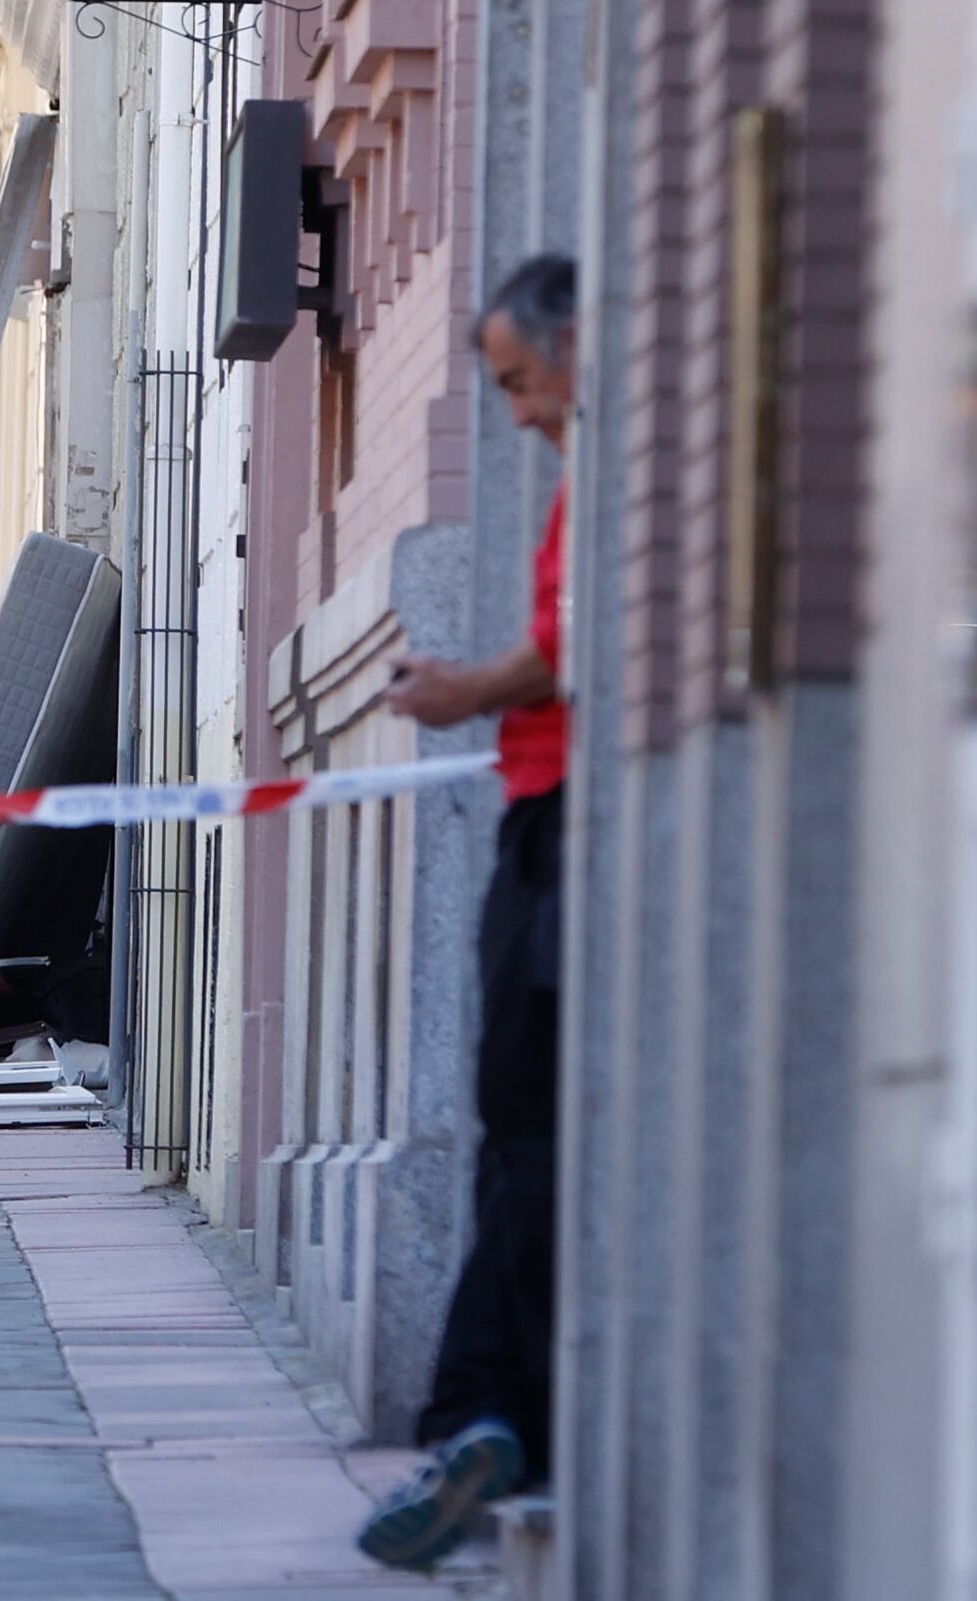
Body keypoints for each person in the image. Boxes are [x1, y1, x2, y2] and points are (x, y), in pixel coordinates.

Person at [358, 254, 576, 1570]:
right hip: (542, 816)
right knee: (516, 1131)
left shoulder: (610, 465)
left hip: (558, 824)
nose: (517, 414)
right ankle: (482, 1416)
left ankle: (490, 1417)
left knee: (524, 1131)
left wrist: (467, 688)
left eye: (519, 382)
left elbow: (571, 645)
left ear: (576, 345)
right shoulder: (587, 467)